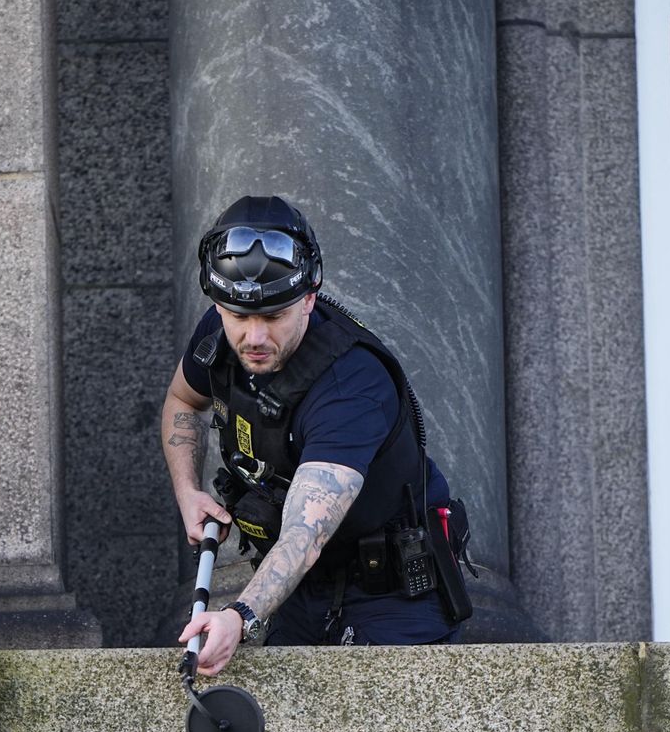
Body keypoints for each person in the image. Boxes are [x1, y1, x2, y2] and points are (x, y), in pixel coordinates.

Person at [163, 195, 466, 677]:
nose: (254, 337)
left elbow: (306, 533)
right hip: (300, 593)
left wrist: (239, 617)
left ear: (309, 297)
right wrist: (187, 492)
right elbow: (183, 401)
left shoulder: (352, 387)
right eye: (239, 316)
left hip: (390, 596)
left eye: (274, 316)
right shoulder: (223, 329)